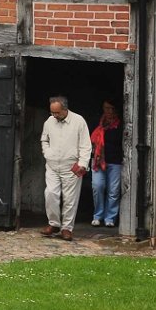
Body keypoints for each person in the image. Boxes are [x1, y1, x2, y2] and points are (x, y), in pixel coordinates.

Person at [39, 94, 91, 241]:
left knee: (70, 198)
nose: (54, 115)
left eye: (57, 112)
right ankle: (54, 224)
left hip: (71, 166)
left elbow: (86, 145)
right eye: (52, 112)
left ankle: (67, 228)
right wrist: (47, 153)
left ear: (65, 109)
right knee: (50, 193)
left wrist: (82, 164)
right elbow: (44, 139)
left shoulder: (78, 121)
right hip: (52, 164)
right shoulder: (49, 121)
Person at [89, 99, 123, 228]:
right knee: (97, 187)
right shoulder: (98, 123)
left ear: (115, 110)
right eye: (105, 108)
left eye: (110, 108)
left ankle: (110, 218)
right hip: (98, 161)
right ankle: (98, 216)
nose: (107, 111)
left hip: (115, 161)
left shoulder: (120, 125)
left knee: (113, 191)